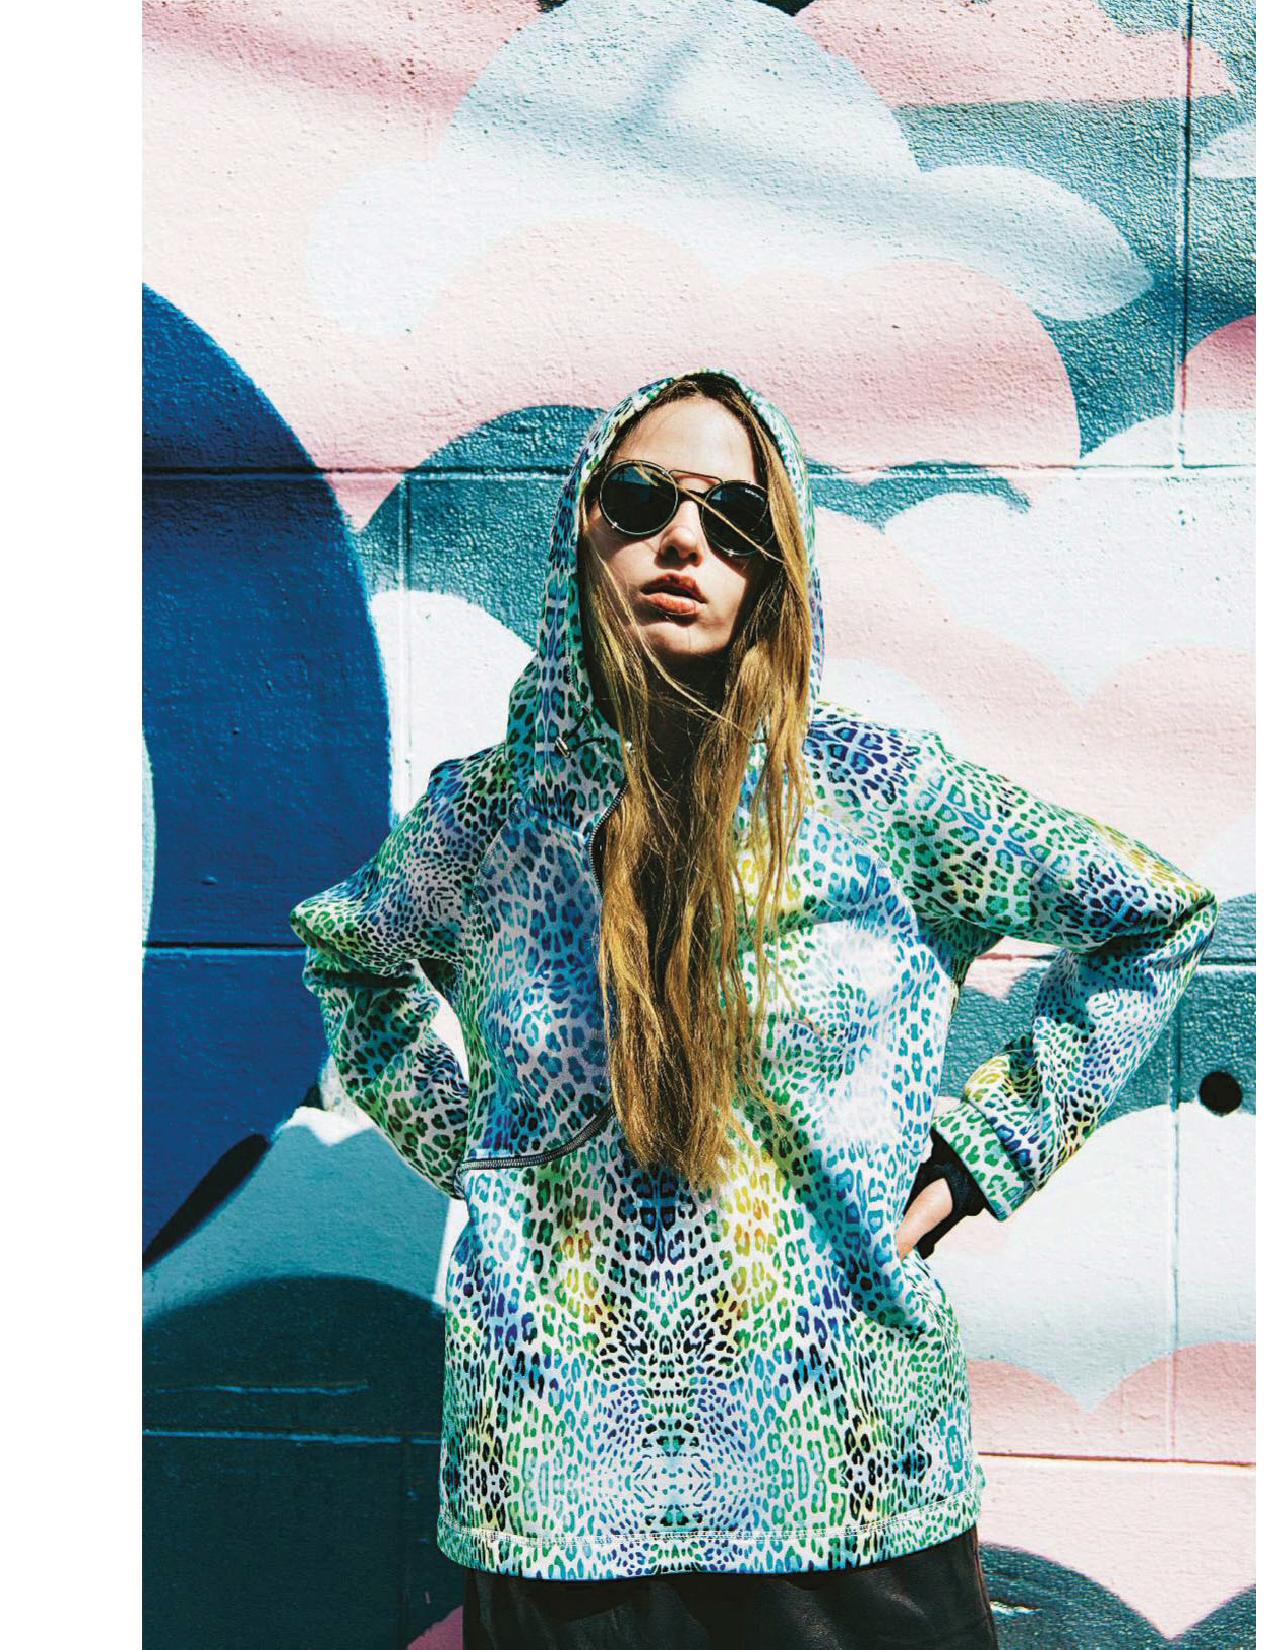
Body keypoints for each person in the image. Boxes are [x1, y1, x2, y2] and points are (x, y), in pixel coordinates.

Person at [288, 370, 1218, 1649]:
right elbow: (352, 960)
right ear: (581, 531)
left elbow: (1156, 916)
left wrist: (981, 1153)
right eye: (641, 499)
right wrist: (475, 1153)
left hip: (849, 1496)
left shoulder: (879, 793)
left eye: (734, 520)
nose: (686, 540)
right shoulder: (485, 820)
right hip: (559, 1504)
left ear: (776, 569)